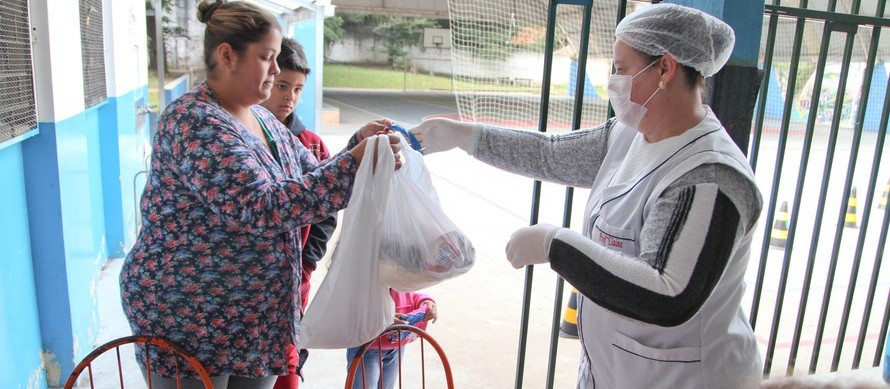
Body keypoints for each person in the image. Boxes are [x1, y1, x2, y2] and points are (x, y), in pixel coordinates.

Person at [410, 4, 763, 388]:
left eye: (621, 69)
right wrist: (466, 136)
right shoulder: (629, 135)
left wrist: (555, 245)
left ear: (665, 68)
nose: (614, 81)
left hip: (687, 377)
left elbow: (668, 294)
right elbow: (549, 153)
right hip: (617, 369)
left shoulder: (709, 176)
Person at [118, 1, 401, 388]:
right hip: (190, 315)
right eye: (267, 58)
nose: (275, 70)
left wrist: (359, 146)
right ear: (227, 55)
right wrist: (353, 164)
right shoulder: (193, 121)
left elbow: (311, 175)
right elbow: (261, 207)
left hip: (254, 315)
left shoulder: (262, 118)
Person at [259, 37, 336, 389]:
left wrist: (307, 261)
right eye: (281, 85)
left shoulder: (313, 145)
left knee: (289, 354)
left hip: (295, 274)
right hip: (253, 281)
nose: (288, 96)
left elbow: (327, 212)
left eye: (298, 89)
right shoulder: (242, 137)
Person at [346, 289, 438, 389]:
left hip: (397, 346)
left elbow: (408, 292)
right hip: (365, 347)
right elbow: (348, 299)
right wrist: (379, 317)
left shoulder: (401, 278)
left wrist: (423, 300)